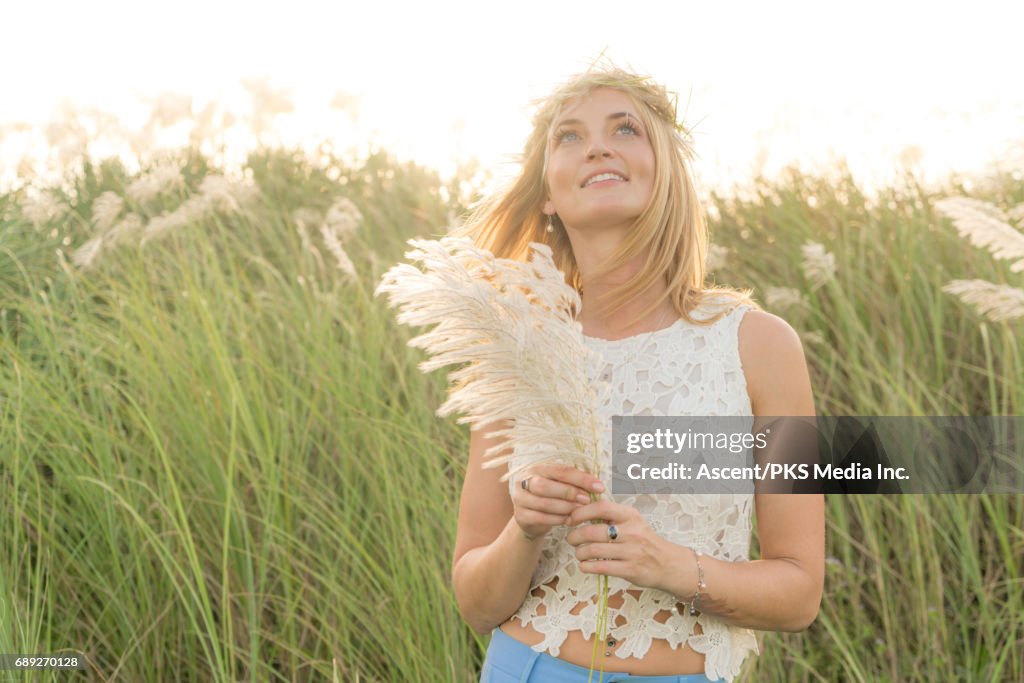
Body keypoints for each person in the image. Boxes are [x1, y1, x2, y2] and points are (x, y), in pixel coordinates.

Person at [451, 64, 824, 683]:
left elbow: (799, 591)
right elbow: (475, 601)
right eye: (568, 136)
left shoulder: (759, 346)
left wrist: (671, 565)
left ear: (665, 168)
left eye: (625, 129)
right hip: (526, 668)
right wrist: (524, 528)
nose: (596, 144)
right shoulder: (517, 348)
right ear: (547, 190)